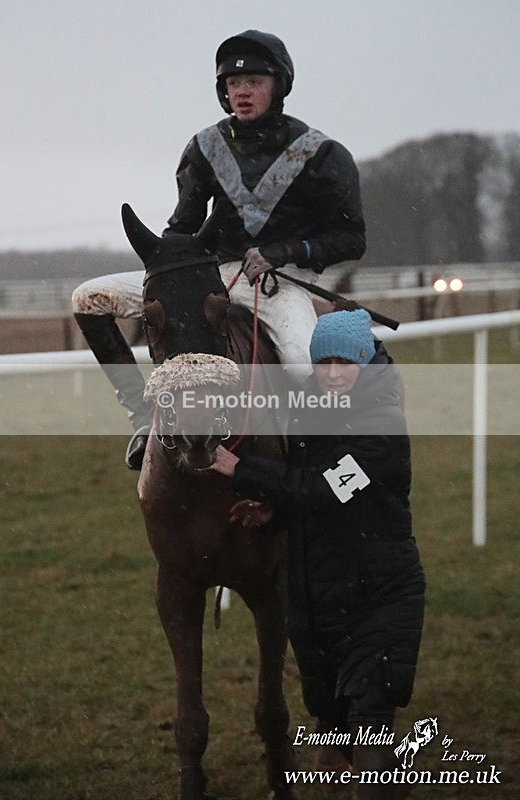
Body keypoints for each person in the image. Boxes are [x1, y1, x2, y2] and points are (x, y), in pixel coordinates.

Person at [72, 29, 366, 470]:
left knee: (306, 364)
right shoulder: (205, 146)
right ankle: (141, 417)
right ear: (223, 92)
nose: (243, 92)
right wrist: (164, 259)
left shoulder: (322, 154)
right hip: (207, 275)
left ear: (279, 86)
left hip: (276, 286)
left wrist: (284, 250)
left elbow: (351, 238)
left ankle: (314, 469)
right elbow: (184, 225)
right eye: (233, 84)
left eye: (255, 82)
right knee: (87, 299)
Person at [212, 309, 426, 799]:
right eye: (323, 360)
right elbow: (312, 501)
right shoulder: (307, 411)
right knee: (333, 748)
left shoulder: (384, 424)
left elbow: (331, 489)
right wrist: (274, 514)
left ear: (366, 362)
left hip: (380, 598)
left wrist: (242, 471)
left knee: (370, 731)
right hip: (317, 606)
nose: (332, 371)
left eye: (344, 361)